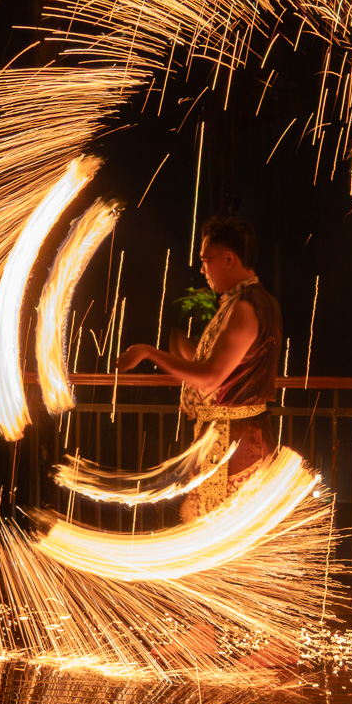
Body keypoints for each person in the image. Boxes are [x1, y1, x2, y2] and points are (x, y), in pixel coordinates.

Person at [118, 214, 284, 521]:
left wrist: (150, 353)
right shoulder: (249, 302)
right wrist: (187, 352)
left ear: (229, 259)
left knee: (221, 530)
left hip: (234, 446)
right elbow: (230, 367)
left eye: (206, 260)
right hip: (235, 439)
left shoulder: (245, 307)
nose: (202, 269)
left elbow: (210, 379)